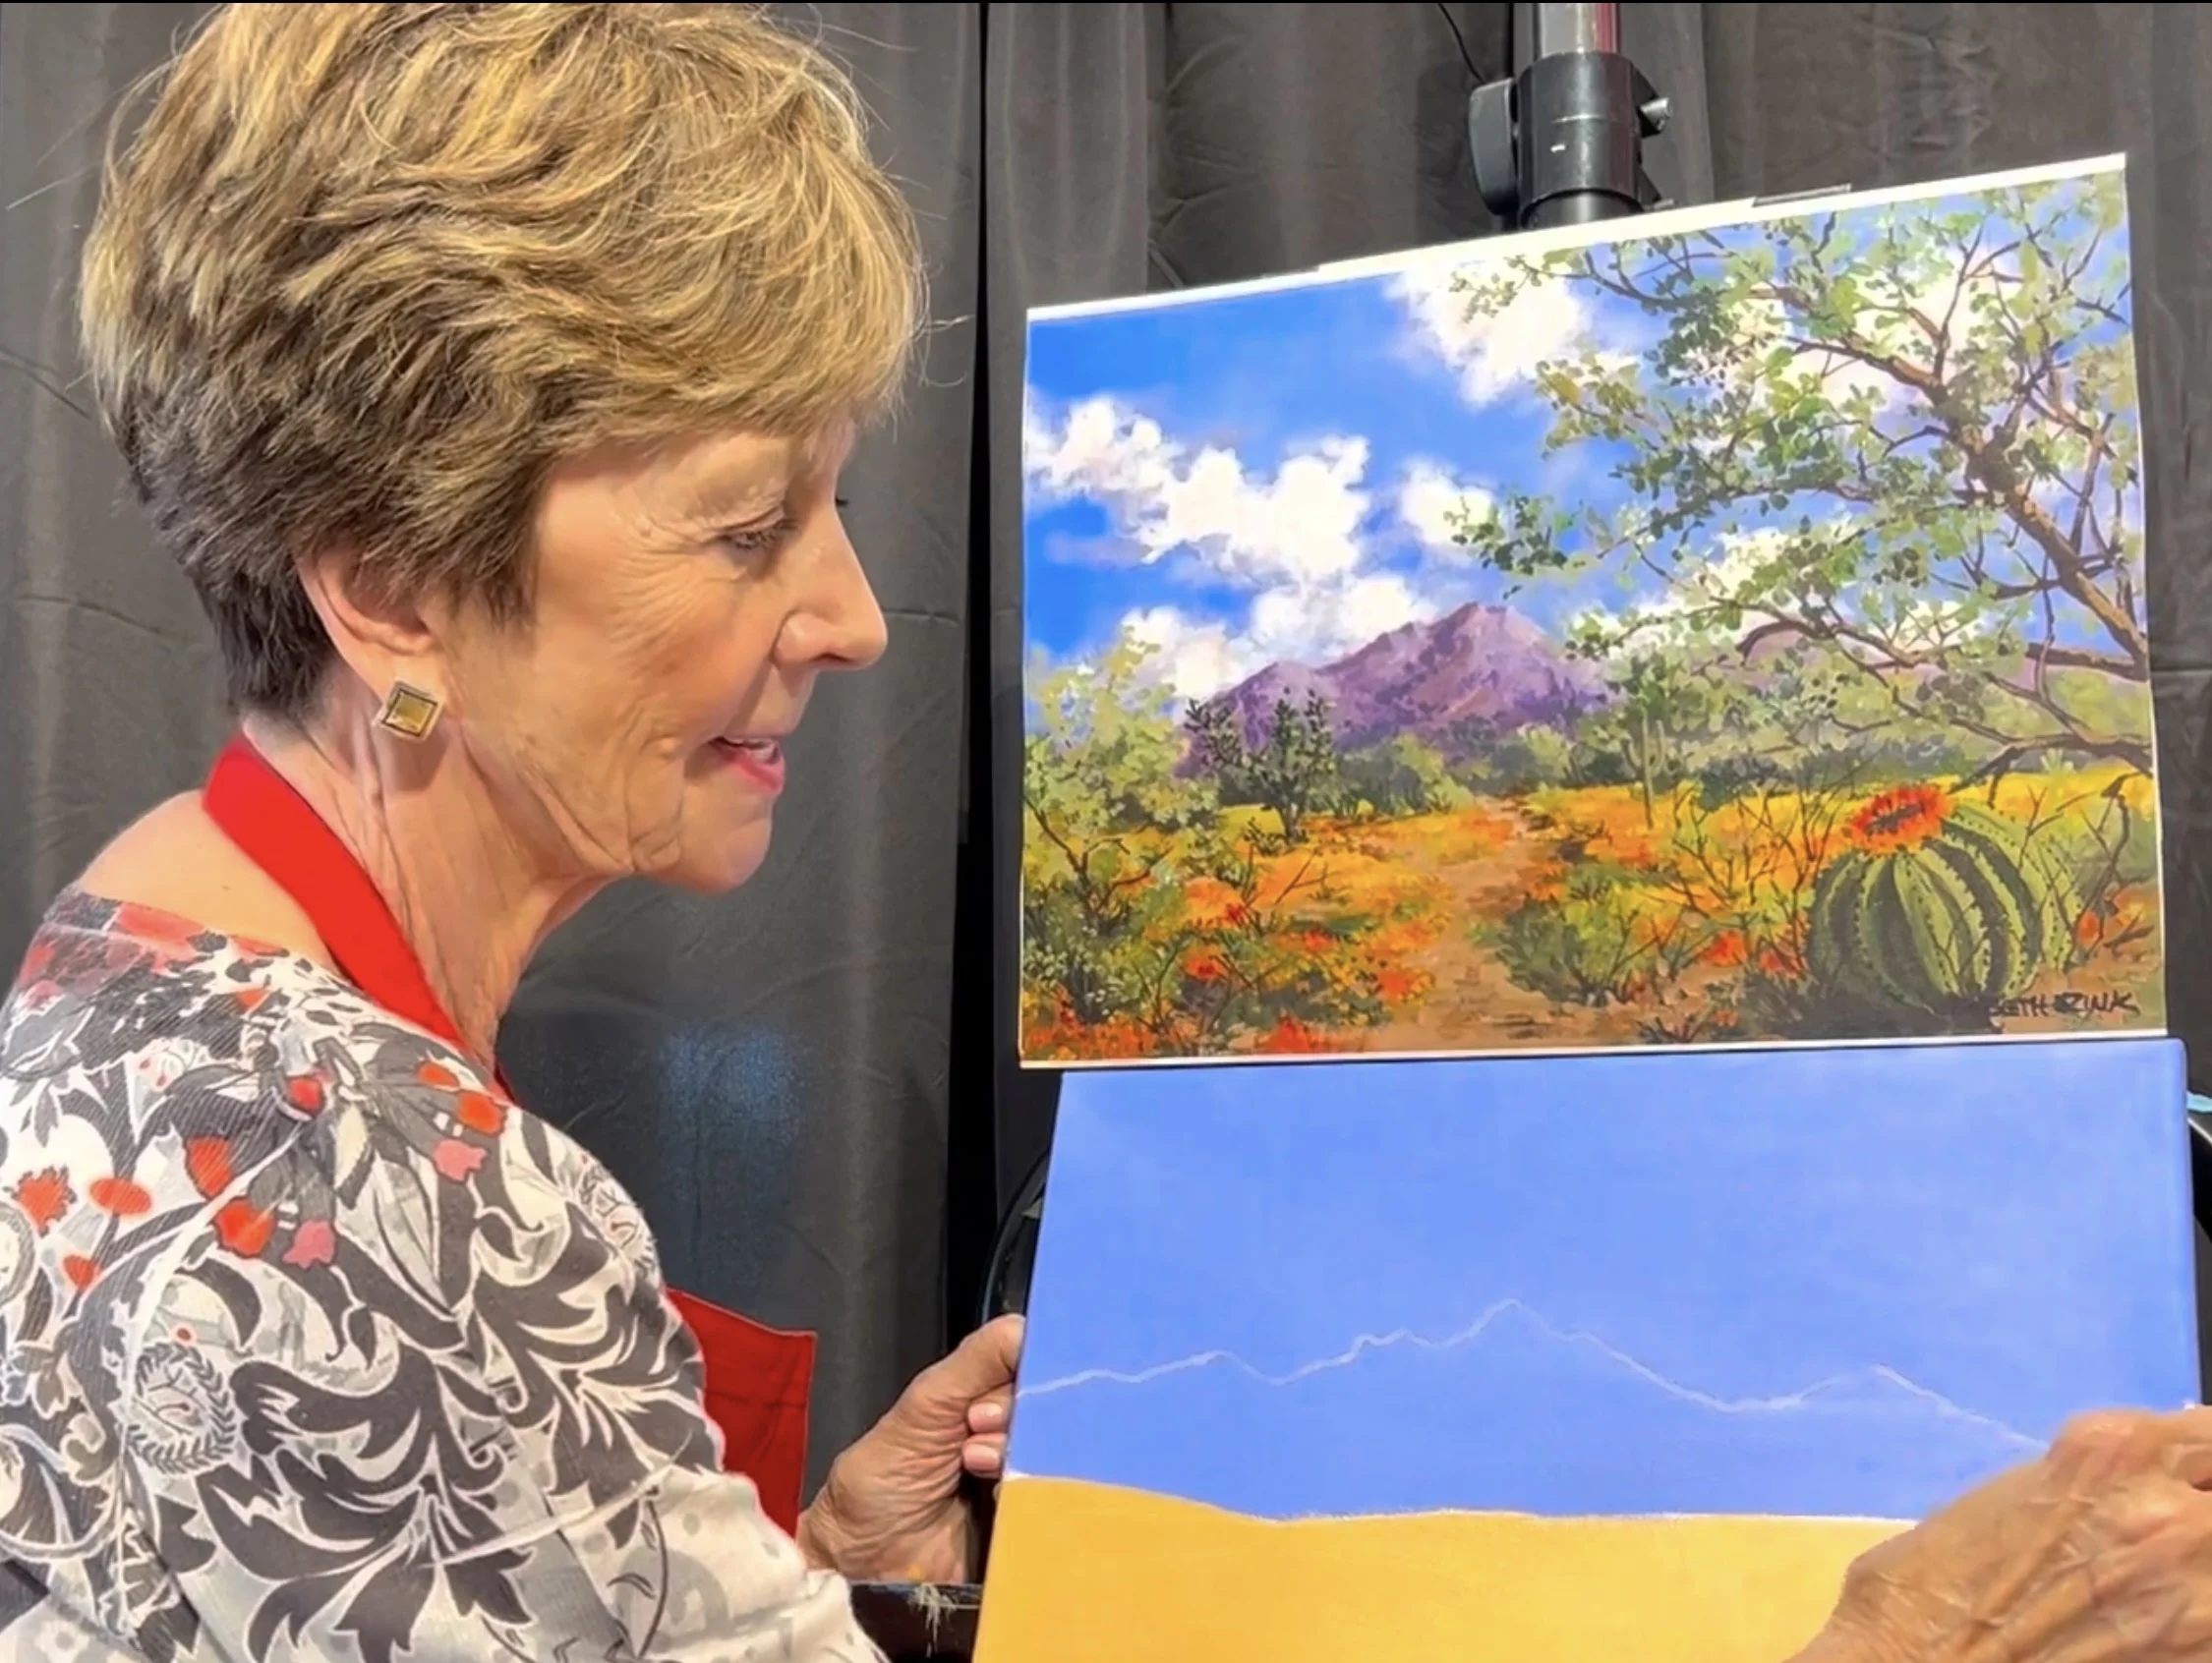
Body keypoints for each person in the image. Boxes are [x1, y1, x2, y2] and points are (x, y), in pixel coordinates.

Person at [2, 6, 2210, 1663]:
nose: (855, 614)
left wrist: (819, 1579)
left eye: (838, 502)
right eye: (748, 523)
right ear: (387, 577)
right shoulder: (355, 1206)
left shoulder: (130, 1010)